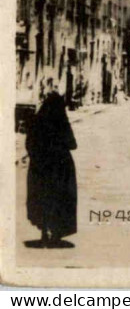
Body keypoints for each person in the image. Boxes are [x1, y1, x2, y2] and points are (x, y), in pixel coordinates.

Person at [25, 90, 78, 247]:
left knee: (41, 196)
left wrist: (37, 157)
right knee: (59, 198)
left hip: (39, 167)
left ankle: (44, 230)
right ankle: (56, 232)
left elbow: (29, 143)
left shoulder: (37, 121)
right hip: (60, 168)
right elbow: (73, 144)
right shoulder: (61, 122)